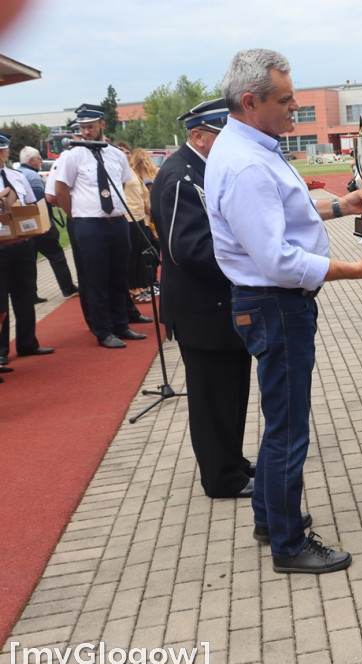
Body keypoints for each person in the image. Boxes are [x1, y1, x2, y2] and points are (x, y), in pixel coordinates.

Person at [206, 49, 362, 574]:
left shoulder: (252, 147)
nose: (295, 106)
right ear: (250, 101)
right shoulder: (248, 161)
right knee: (289, 428)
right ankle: (289, 544)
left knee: (281, 421)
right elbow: (277, 260)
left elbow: (286, 213)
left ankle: (270, 517)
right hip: (276, 305)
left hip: (270, 306)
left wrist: (340, 207)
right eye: (285, 98)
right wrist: (353, 271)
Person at [151, 98, 256, 500]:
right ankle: (222, 478)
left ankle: (233, 462)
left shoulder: (203, 167)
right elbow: (188, 248)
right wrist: (248, 266)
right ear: (198, 136)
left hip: (218, 305)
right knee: (213, 400)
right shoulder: (182, 176)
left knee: (230, 393)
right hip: (202, 309)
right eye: (223, 134)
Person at [52, 104, 147, 349]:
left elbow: (125, 183)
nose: (86, 131)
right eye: (82, 127)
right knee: (96, 279)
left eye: (90, 126)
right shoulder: (72, 156)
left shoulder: (115, 154)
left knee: (118, 276)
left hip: (117, 222)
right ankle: (103, 330)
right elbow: (60, 190)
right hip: (89, 224)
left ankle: (122, 324)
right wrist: (74, 215)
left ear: (102, 125)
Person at [0, 132, 54, 364]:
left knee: (25, 295)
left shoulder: (17, 176)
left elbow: (32, 205)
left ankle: (27, 343)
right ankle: (1, 351)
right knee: (0, 301)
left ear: (6, 152)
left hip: (22, 244)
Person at [18, 146, 77, 299]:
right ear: (31, 161)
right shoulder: (33, 176)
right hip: (40, 223)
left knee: (29, 262)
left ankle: (32, 294)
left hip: (24, 225)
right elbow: (41, 201)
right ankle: (68, 288)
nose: (40, 161)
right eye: (38, 158)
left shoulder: (17, 173)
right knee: (56, 255)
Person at [124, 147, 159, 303]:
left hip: (139, 217)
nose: (125, 155)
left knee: (141, 254)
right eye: (122, 152)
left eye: (127, 152)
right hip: (129, 217)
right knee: (133, 255)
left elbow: (144, 195)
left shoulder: (130, 172)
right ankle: (134, 288)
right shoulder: (123, 172)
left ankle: (142, 285)